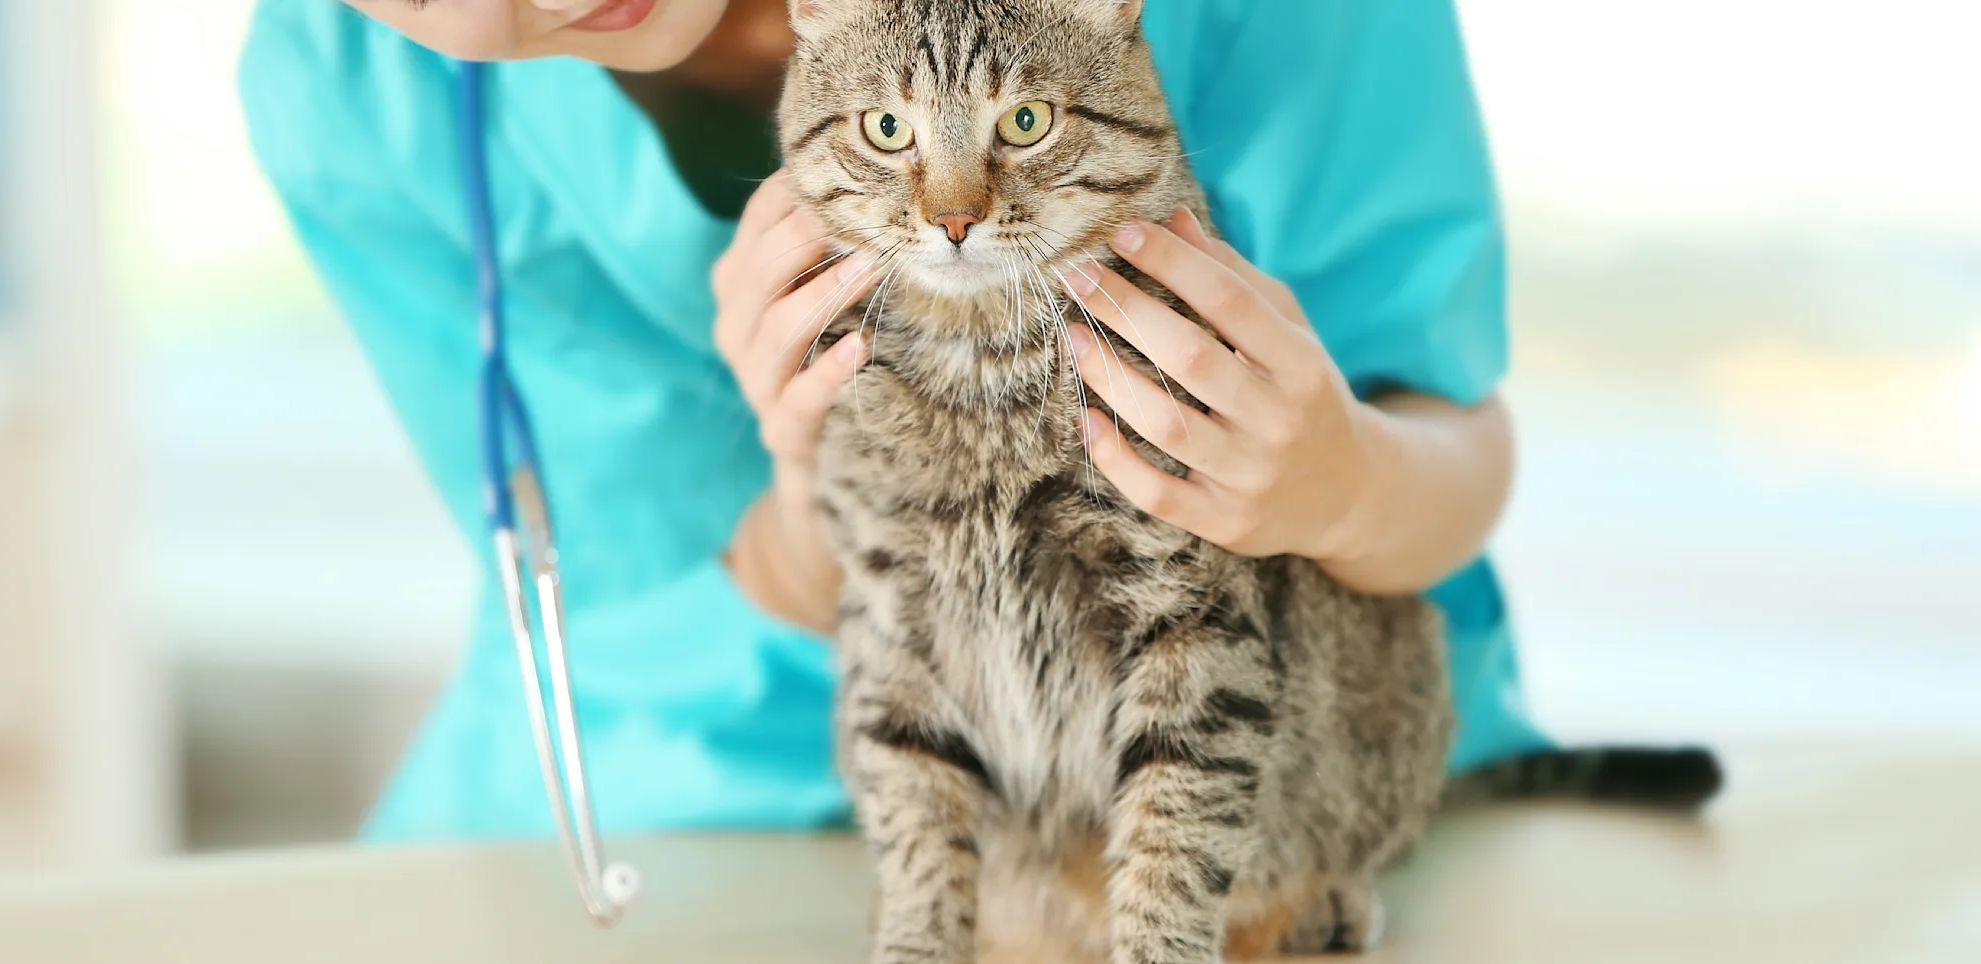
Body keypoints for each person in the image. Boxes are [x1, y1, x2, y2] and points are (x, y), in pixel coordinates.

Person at [237, 0, 1552, 840]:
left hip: (1240, 779)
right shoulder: (350, 87)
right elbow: (625, 609)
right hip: (681, 809)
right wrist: (822, 510)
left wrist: (1335, 484)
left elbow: (1452, 435)